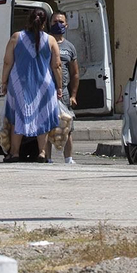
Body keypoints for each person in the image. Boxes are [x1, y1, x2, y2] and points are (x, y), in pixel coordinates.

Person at [1, 9, 62, 162]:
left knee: (17, 118)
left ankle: (15, 153)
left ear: (28, 20)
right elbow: (57, 65)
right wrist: (60, 86)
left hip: (19, 85)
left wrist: (4, 82)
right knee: (43, 117)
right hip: (44, 85)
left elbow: (7, 62)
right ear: (44, 23)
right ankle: (42, 152)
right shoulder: (51, 40)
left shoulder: (16, 37)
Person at [50, 10, 80, 165]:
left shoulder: (69, 47)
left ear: (66, 25)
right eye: (55, 22)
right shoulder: (45, 42)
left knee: (67, 126)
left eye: (61, 22)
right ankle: (47, 158)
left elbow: (75, 73)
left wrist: (73, 95)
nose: (58, 24)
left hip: (64, 93)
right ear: (49, 24)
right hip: (47, 92)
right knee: (47, 126)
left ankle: (68, 159)